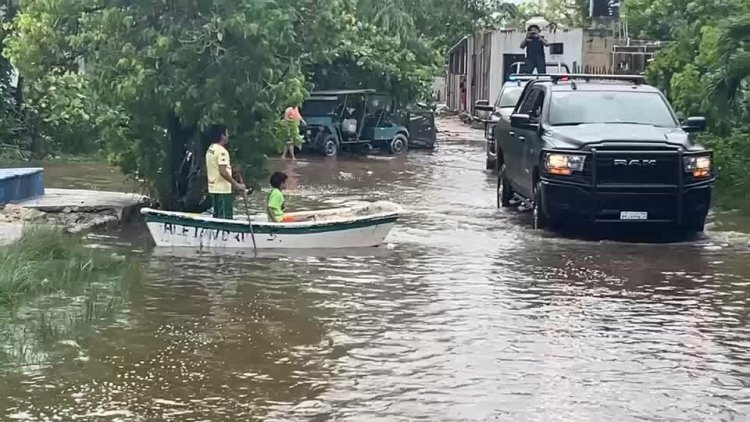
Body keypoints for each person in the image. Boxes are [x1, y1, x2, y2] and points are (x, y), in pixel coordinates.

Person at [205, 124, 245, 219]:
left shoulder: (211, 149)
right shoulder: (222, 151)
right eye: (226, 133)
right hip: (222, 190)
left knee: (217, 216)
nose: (228, 136)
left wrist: (232, 170)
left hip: (213, 189)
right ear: (222, 135)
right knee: (225, 218)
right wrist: (237, 185)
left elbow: (216, 166)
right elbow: (222, 171)